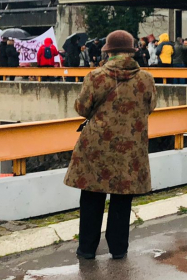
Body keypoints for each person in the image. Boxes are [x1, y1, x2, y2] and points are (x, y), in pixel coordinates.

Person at [64, 30, 156, 260]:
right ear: (131, 51)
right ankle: (118, 249)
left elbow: (83, 109)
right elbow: (150, 107)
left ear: (109, 51)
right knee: (122, 198)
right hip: (130, 148)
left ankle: (86, 249)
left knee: (92, 196)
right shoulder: (146, 78)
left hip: (97, 146)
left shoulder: (95, 76)